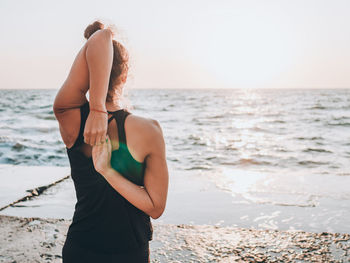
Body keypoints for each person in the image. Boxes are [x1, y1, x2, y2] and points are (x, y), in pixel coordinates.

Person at [53, 20, 169, 262]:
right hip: (129, 253)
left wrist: (106, 169)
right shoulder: (148, 130)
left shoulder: (68, 114)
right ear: (125, 74)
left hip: (80, 249)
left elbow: (99, 37)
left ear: (85, 71)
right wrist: (97, 110)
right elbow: (155, 207)